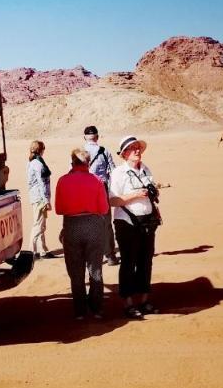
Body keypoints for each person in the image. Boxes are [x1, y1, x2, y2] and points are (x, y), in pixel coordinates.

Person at [54, 148, 110, 320]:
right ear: (88, 163)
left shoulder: (63, 181)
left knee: (76, 272)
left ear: (72, 162)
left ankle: (80, 311)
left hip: (72, 225)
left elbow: (59, 209)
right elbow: (104, 208)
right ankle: (97, 309)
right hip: (94, 225)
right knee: (96, 269)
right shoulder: (97, 180)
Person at [109, 135, 160, 319]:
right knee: (129, 263)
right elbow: (113, 200)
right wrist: (135, 195)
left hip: (148, 221)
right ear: (124, 154)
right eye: (133, 148)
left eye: (138, 147)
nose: (137, 151)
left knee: (146, 261)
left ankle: (144, 300)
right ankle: (128, 303)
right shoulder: (118, 173)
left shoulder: (146, 170)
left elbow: (151, 192)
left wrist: (153, 194)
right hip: (127, 223)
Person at [82, 125, 118, 266]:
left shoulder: (79, 153)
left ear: (84, 137)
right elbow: (113, 172)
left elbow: (72, 172)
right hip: (101, 188)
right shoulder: (104, 151)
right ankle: (110, 255)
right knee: (105, 223)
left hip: (85, 190)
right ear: (97, 137)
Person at [27, 140, 53, 258]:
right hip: (39, 198)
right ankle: (31, 251)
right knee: (38, 225)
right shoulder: (37, 164)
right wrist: (46, 200)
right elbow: (41, 182)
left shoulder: (34, 162)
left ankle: (43, 249)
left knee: (41, 224)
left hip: (37, 197)